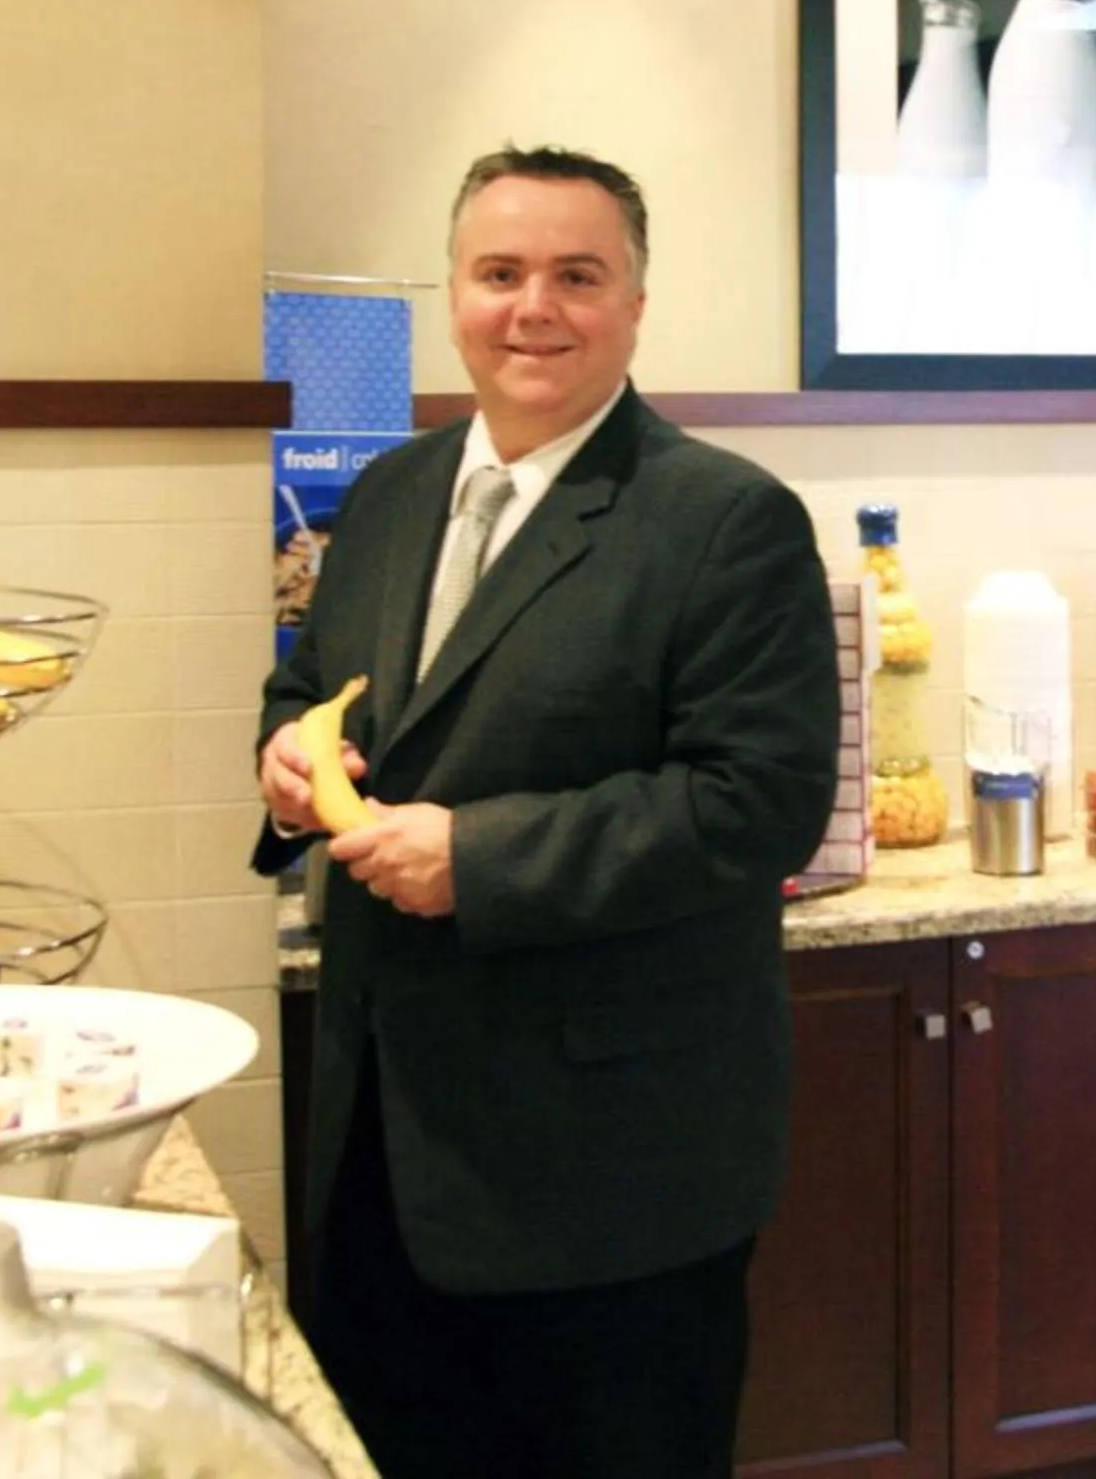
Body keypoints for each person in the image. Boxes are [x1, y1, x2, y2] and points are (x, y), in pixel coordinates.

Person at [254, 146, 841, 1479]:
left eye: (578, 276)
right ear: (453, 294)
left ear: (635, 304)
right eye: (500, 273)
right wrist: (284, 760)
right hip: (381, 1148)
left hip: (608, 1175)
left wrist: (483, 859)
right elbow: (313, 685)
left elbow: (760, 804)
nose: (535, 308)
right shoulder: (395, 496)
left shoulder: (723, 519)